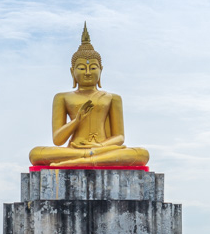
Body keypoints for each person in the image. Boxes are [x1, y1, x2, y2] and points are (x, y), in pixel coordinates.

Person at [29, 24, 149, 168]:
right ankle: (87, 157)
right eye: (81, 68)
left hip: (102, 147)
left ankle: (86, 159)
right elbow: (57, 140)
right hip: (75, 150)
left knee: (142, 154)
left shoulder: (112, 98)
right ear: (72, 71)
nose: (87, 72)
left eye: (92, 68)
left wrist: (99, 146)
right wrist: (76, 120)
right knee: (35, 154)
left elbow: (120, 137)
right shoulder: (62, 97)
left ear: (101, 71)